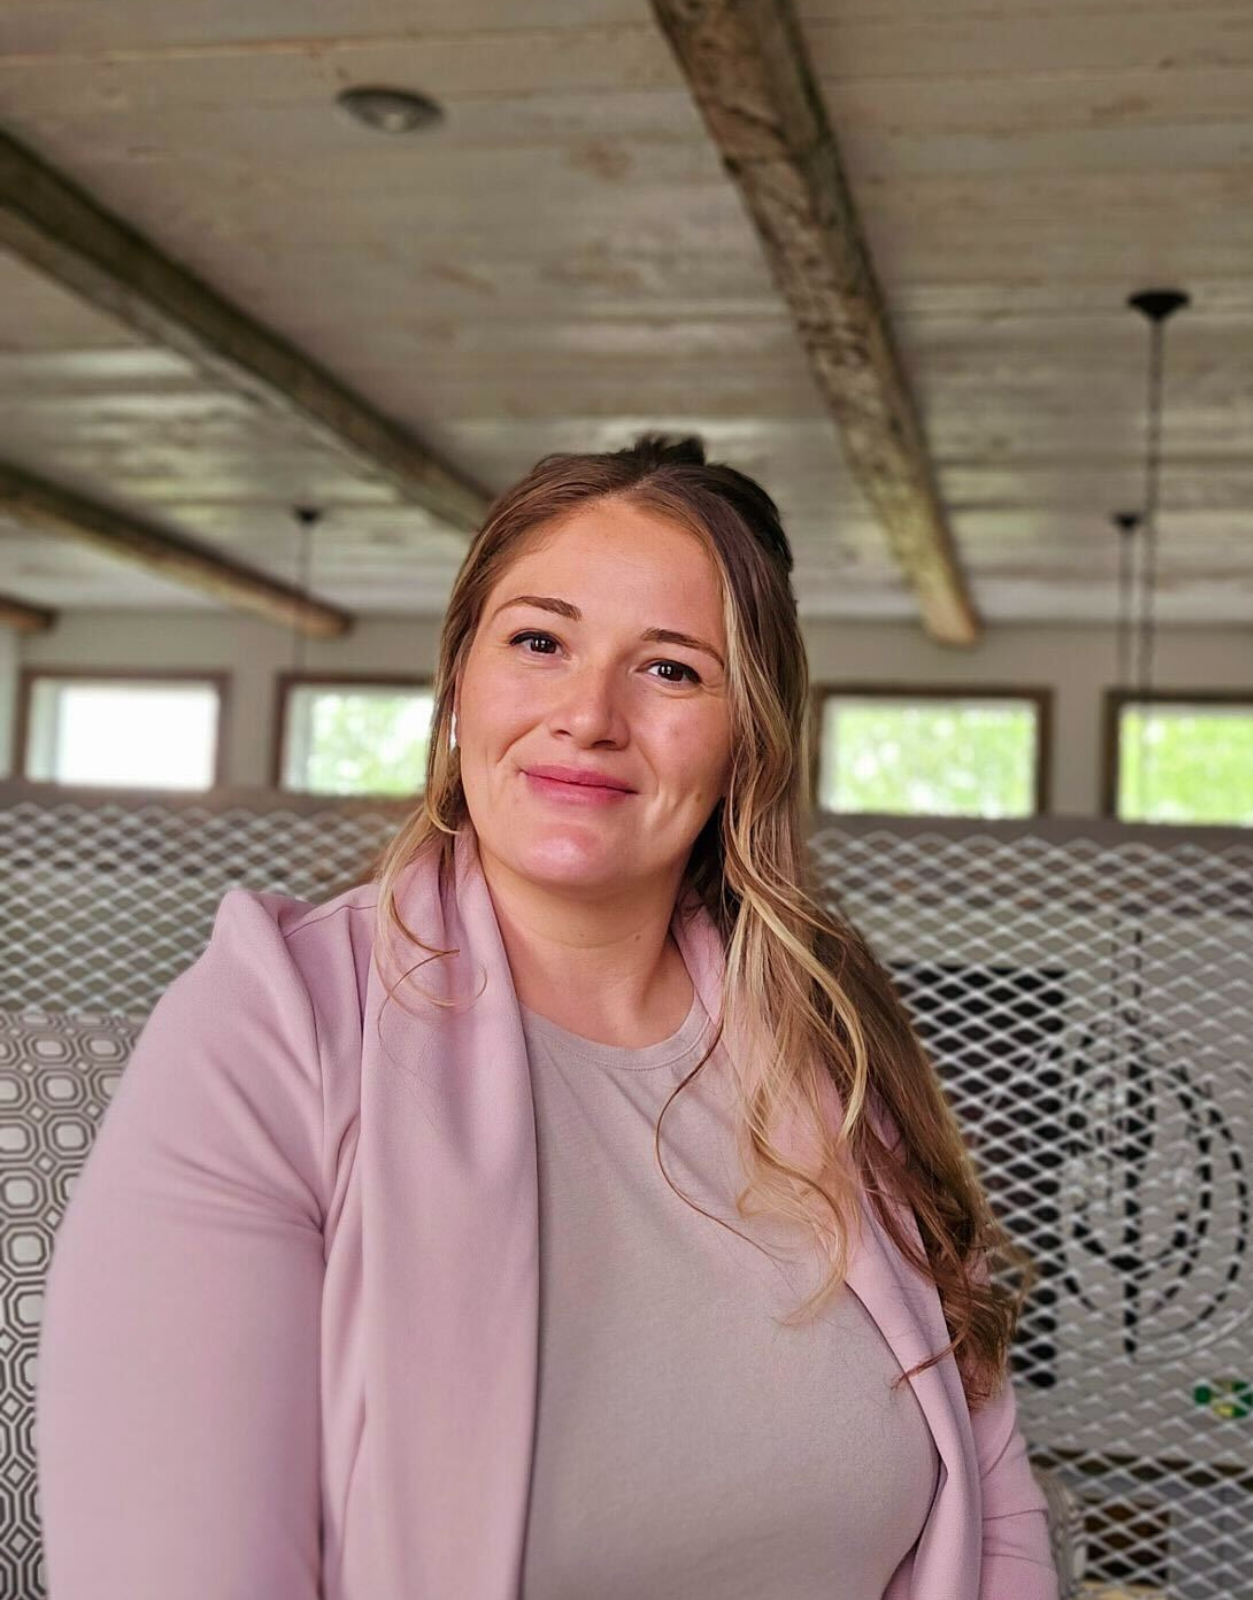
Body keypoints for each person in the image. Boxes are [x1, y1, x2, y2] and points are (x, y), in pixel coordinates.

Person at [35, 432, 1056, 1599]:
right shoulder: (277, 1024)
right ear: (460, 683)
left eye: (670, 669)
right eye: (539, 642)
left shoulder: (832, 1047)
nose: (588, 714)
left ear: (748, 740)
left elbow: (993, 1505)